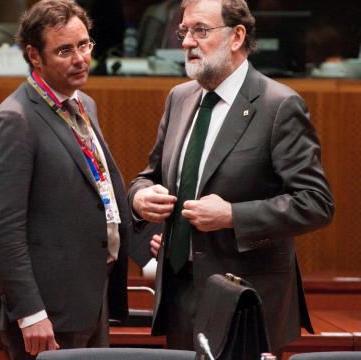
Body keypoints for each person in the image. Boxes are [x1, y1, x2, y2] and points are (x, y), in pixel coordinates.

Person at [128, 0, 334, 352]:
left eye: (200, 30)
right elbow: (149, 175)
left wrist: (232, 216)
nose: (187, 42)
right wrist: (139, 197)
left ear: (237, 36)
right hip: (180, 295)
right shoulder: (179, 98)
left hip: (246, 300)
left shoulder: (278, 105)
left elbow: (315, 202)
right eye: (184, 31)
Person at [0, 1, 130, 358]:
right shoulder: (15, 120)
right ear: (34, 55)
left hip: (91, 301)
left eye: (84, 44)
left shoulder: (83, 104)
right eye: (65, 50)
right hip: (47, 314)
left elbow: (99, 193)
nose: (80, 58)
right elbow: (2, 230)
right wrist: (31, 312)